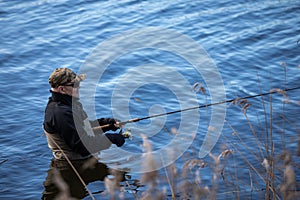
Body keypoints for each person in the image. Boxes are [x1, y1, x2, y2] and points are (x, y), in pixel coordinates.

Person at [42, 68, 126, 199]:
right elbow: (82, 146)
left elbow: (82, 128)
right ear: (61, 89)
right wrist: (111, 139)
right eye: (74, 85)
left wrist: (107, 123)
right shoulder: (60, 113)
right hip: (70, 168)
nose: (79, 86)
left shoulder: (69, 104)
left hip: (80, 163)